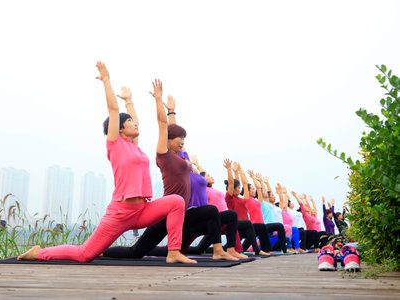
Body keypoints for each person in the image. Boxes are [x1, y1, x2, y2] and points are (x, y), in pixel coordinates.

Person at [17, 63, 194, 264]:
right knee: (85, 254)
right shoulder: (115, 144)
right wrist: (106, 81)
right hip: (120, 212)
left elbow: (137, 120)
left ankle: (173, 252)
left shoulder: (134, 147)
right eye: (129, 122)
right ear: (119, 128)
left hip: (141, 211)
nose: (135, 124)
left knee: (176, 202)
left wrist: (130, 101)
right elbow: (113, 109)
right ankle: (39, 252)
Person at [103, 84, 237, 261]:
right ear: (168, 141)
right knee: (136, 252)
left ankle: (219, 251)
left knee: (214, 212)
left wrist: (172, 111)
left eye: (183, 139)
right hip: (168, 212)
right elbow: (164, 126)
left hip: (185, 213)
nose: (182, 142)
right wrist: (159, 101)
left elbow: (173, 130)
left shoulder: (183, 158)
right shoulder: (164, 156)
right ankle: (104, 251)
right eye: (179, 139)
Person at [224, 161, 271, 255]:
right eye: (238, 187)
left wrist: (237, 171)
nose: (240, 189)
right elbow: (232, 183)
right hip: (237, 225)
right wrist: (229, 169)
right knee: (253, 224)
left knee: (261, 228)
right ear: (233, 188)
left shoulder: (240, 198)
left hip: (245, 228)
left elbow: (244, 183)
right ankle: (257, 250)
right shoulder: (229, 198)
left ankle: (266, 250)